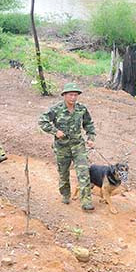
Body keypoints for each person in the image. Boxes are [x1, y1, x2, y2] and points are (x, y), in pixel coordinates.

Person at [38, 82, 96, 211]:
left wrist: (91, 138)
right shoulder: (56, 109)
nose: (73, 98)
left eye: (75, 95)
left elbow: (88, 124)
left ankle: (86, 200)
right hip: (62, 147)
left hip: (78, 145)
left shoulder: (81, 109)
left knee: (84, 172)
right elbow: (42, 121)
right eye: (70, 95)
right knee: (63, 173)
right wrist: (55, 131)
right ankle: (65, 194)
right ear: (64, 95)